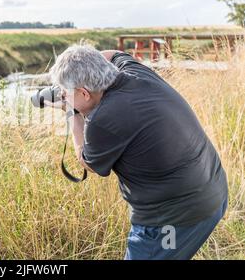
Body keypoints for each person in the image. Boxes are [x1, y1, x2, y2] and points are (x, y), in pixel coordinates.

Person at [46, 43, 228, 260]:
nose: (63, 97)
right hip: (213, 190)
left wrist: (71, 114)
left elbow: (87, 162)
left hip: (172, 220)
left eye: (66, 93)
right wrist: (83, 64)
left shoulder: (103, 120)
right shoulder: (134, 71)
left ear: (84, 93)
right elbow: (114, 54)